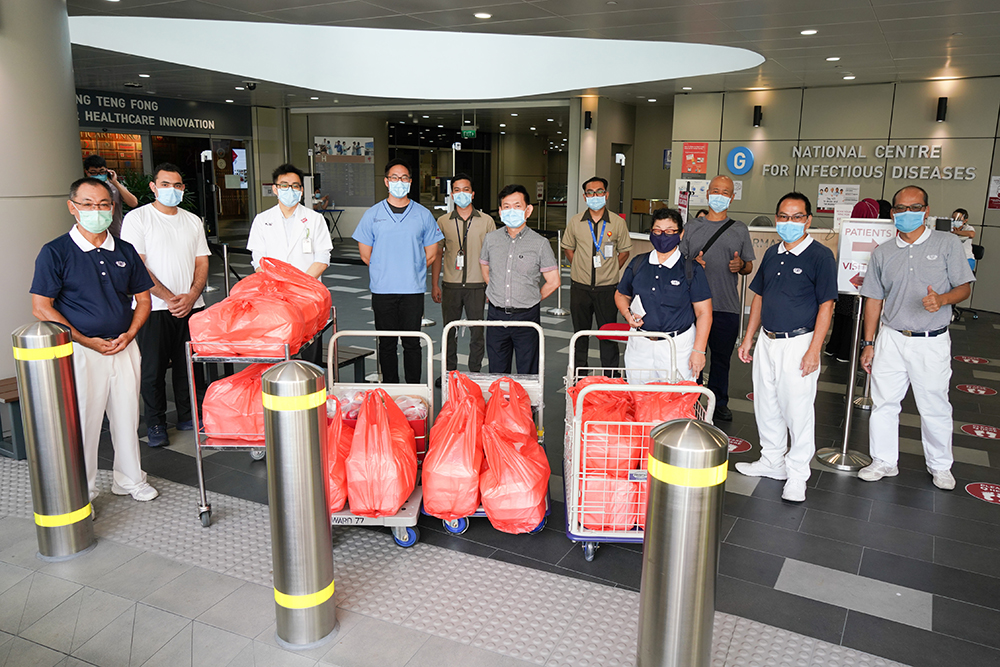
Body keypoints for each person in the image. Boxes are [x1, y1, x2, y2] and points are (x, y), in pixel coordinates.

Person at [30, 177, 157, 503]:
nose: (95, 211)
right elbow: (41, 307)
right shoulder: (55, 252)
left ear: (112, 207)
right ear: (72, 207)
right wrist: (86, 340)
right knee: (83, 422)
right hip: (81, 351)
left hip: (124, 347)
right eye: (87, 204)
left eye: (103, 205)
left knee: (128, 416)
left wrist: (130, 334)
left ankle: (129, 480)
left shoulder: (124, 250)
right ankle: (82, 492)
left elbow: (143, 300)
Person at [858, 186, 976, 490]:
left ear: (925, 210)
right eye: (900, 208)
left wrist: (944, 299)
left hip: (931, 339)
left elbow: (965, 286)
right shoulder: (883, 251)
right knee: (884, 403)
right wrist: (868, 343)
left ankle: (940, 465)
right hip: (892, 337)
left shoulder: (947, 243)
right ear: (893, 212)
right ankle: (884, 461)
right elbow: (873, 299)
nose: (906, 214)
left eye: (914, 208)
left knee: (934, 404)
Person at [734, 193, 837, 502]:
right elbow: (760, 296)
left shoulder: (820, 256)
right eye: (783, 216)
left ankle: (797, 474)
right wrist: (749, 336)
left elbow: (826, 306)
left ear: (807, 219)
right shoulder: (773, 253)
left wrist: (814, 349)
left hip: (799, 342)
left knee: (798, 410)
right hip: (768, 340)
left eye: (796, 217)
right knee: (766, 404)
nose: (788, 222)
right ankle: (772, 461)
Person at [120, 163, 209, 448]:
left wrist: (192, 295)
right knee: (153, 369)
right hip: (154, 306)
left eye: (178, 185)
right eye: (166, 184)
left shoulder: (192, 220)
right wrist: (170, 297)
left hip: (192, 306)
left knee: (189, 366)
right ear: (153, 187)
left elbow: (202, 261)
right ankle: (156, 422)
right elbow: (138, 265)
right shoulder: (138, 219)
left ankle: (188, 414)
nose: (173, 190)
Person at [354, 159, 443, 383]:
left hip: (412, 290)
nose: (399, 182)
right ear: (386, 181)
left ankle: (414, 388)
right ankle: (390, 387)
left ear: (410, 182)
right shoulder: (372, 214)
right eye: (394, 177)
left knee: (412, 342)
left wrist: (409, 268)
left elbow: (431, 253)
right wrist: (388, 268)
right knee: (387, 343)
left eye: (404, 178)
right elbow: (366, 255)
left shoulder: (422, 214)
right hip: (383, 290)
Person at [678, 175, 755, 421]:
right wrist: (692, 264)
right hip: (694, 307)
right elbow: (679, 263)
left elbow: (749, 266)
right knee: (693, 358)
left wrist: (740, 264)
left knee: (721, 360)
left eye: (725, 192)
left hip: (726, 306)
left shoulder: (739, 229)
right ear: (707, 193)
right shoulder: (691, 227)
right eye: (716, 191)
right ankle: (692, 401)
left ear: (732, 198)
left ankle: (719, 402)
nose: (720, 196)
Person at [615, 208, 712, 384]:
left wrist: (699, 351)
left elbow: (704, 313)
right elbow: (621, 294)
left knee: (675, 402)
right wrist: (627, 314)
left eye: (669, 231)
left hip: (677, 347)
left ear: (680, 234)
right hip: (640, 345)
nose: (662, 235)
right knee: (639, 399)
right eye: (657, 230)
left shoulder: (691, 269)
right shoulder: (638, 263)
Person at [480, 184, 560, 374]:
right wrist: (494, 289)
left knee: (528, 372)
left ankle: (529, 405)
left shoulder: (540, 243)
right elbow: (484, 265)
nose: (511, 211)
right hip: (496, 316)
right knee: (497, 371)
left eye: (517, 206)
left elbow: (554, 281)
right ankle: (500, 404)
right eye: (506, 206)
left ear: (528, 210)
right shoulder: (491, 239)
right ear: (499, 211)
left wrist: (531, 298)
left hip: (526, 318)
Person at [430, 173, 496, 384]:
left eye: (465, 190)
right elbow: (438, 255)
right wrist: (435, 284)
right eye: (457, 190)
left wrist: (491, 285)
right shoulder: (442, 221)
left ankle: (474, 373)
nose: (461, 194)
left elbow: (493, 256)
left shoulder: (486, 221)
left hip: (478, 285)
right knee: (449, 331)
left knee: (478, 332)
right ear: (451, 194)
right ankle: (449, 373)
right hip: (451, 285)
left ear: (473, 194)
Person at [562, 176, 632, 373]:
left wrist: (610, 269)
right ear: (585, 196)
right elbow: (568, 248)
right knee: (580, 335)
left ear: (606, 195)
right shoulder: (576, 221)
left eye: (599, 191)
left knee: (608, 336)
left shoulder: (617, 223)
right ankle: (580, 377)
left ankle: (610, 379)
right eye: (590, 193)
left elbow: (625, 251)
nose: (595, 196)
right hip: (580, 288)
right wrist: (579, 265)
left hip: (607, 289)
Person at [247, 163, 332, 278]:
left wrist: (301, 284)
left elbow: (322, 256)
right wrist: (274, 282)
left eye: (295, 186)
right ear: (275, 189)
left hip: (306, 287)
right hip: (273, 287)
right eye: (284, 185)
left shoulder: (315, 219)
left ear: (301, 190)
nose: (290, 190)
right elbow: (258, 257)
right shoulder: (262, 220)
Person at [825, 198, 881, 362]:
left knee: (842, 315)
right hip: (859, 281)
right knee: (854, 316)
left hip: (844, 279)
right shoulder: (871, 233)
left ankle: (833, 347)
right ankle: (846, 352)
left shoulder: (848, 231)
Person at [83, 154, 138, 238]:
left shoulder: (114, 187)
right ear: (87, 172)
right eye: (94, 172)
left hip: (115, 234)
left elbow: (133, 203)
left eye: (102, 171)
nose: (99, 175)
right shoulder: (83, 189)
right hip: (92, 235)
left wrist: (115, 182)